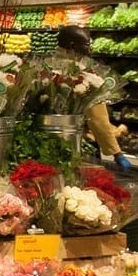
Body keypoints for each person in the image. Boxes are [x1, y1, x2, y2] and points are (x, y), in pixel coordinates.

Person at [56, 26, 129, 170]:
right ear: (72, 46)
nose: (90, 49)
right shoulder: (84, 76)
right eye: (87, 44)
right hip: (75, 143)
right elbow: (97, 118)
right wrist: (117, 153)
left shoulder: (44, 67)